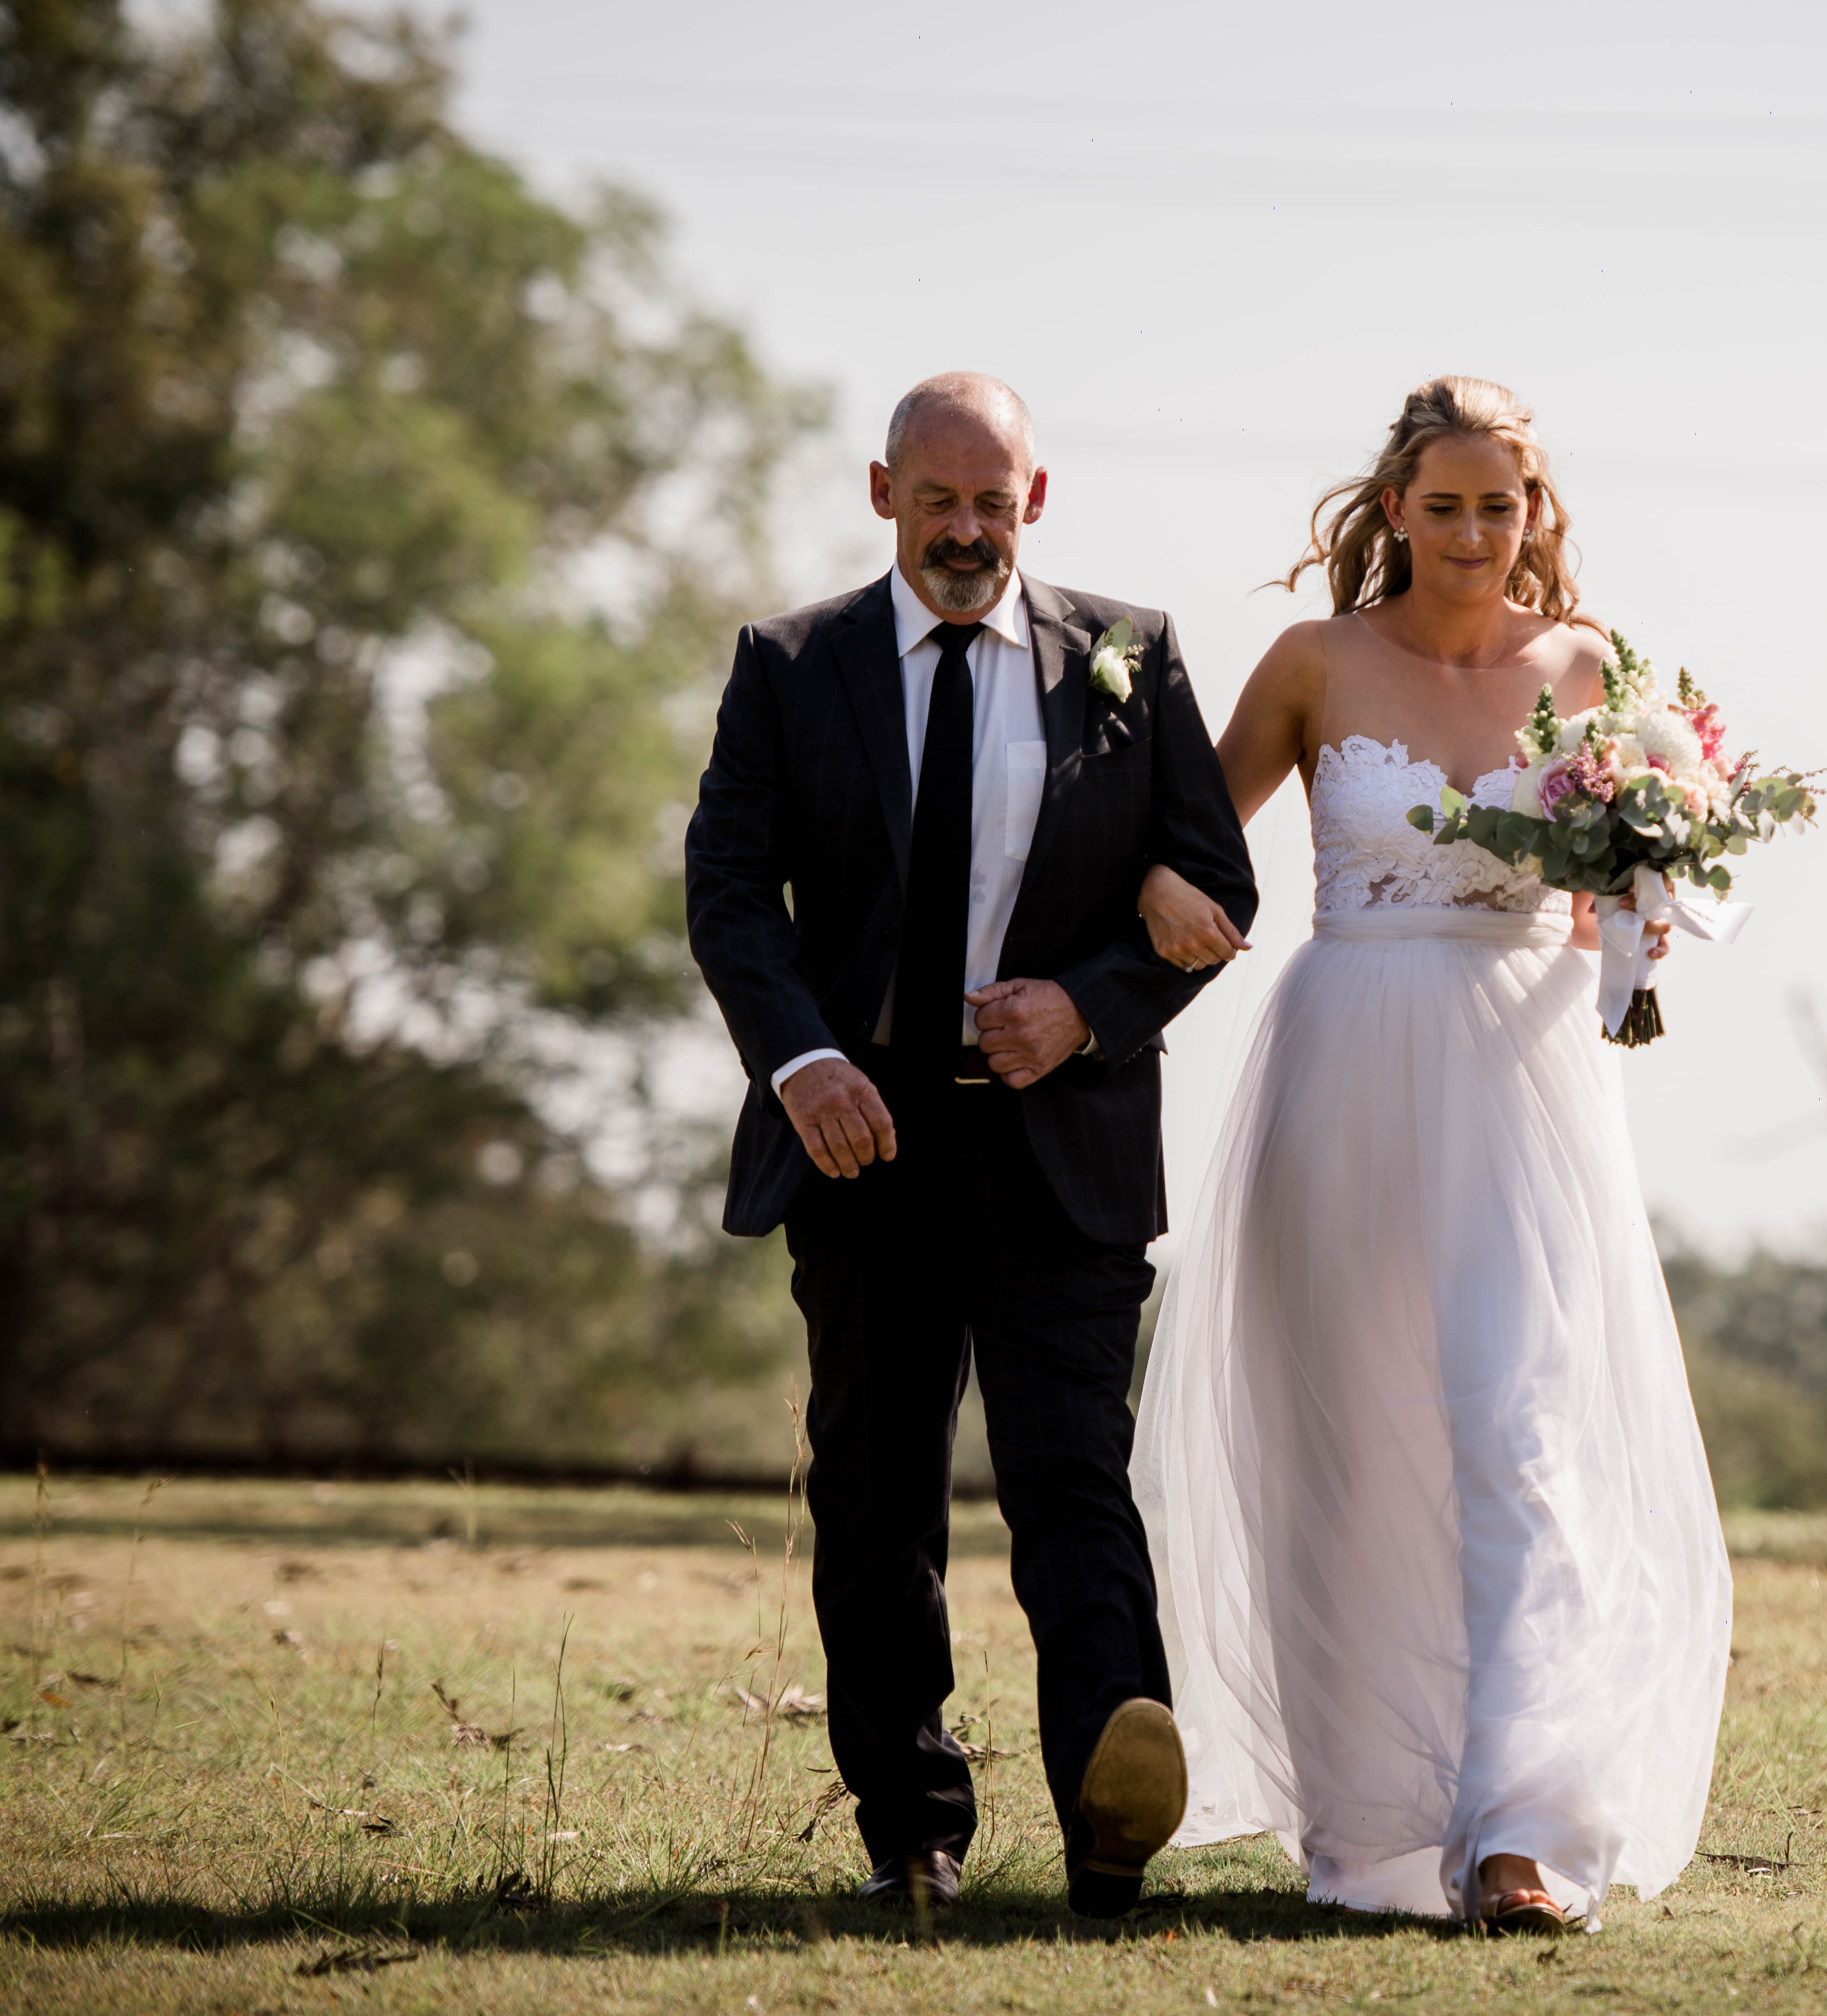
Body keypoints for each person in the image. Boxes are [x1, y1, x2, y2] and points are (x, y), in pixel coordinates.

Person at [1127, 375, 1732, 1935]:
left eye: (1499, 507)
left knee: (1520, 1426)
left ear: (1535, 514)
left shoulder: (1591, 671)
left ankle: (1524, 1829)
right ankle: (1381, 1824)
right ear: (1395, 509)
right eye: (1445, 505)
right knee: (1354, 1443)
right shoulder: (1314, 662)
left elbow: (1623, 898)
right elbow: (1180, 831)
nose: (1473, 533)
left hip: (1524, 1076)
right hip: (1343, 1062)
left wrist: (1645, 906)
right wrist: (1153, 889)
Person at [683, 372, 1257, 1918]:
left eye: (993, 503)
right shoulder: (790, 665)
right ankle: (913, 1834)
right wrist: (803, 1062)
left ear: (1036, 501)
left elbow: (1218, 891)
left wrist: (1085, 1008)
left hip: (1063, 1144)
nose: (965, 530)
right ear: (884, 494)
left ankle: (1109, 1815)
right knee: (877, 1494)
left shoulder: (1132, 655)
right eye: (936, 500)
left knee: (1074, 1478)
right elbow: (730, 891)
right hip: (862, 1142)